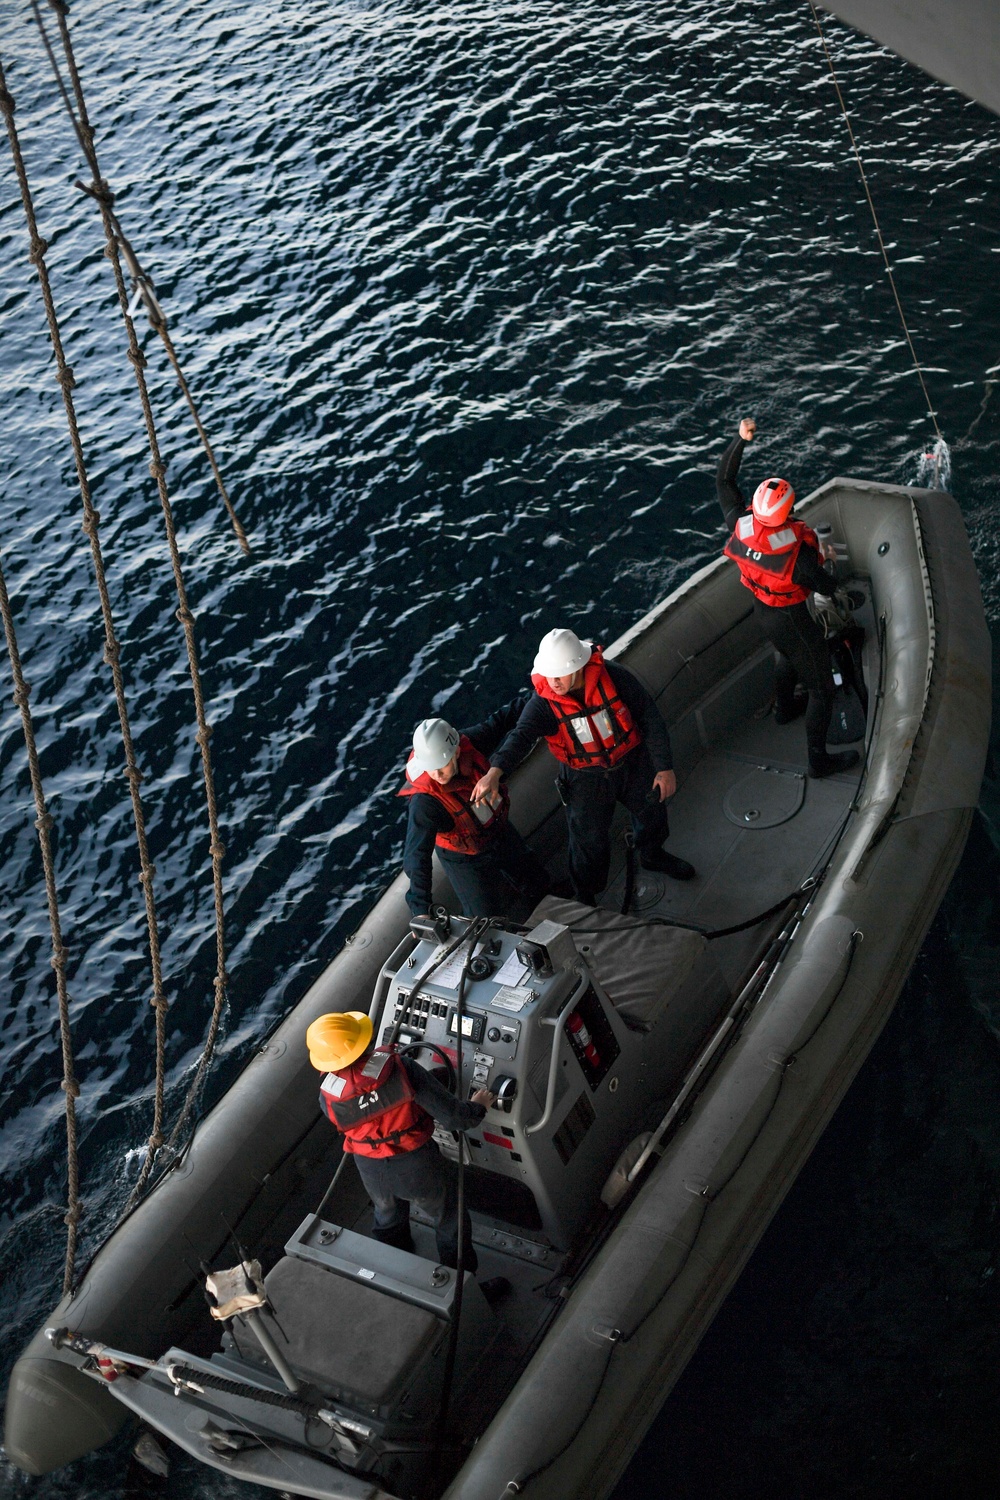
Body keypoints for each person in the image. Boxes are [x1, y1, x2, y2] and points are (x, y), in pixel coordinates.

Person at [471, 628, 694, 908]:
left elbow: (648, 714)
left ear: (578, 666)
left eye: (560, 674)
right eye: (549, 675)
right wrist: (495, 772)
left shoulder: (614, 677)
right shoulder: (543, 703)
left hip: (632, 763)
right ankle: (585, 892)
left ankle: (652, 854)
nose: (554, 682)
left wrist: (664, 768)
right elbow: (521, 735)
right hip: (584, 779)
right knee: (588, 841)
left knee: (652, 814)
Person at [306, 1011, 505, 1296]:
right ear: (362, 1041)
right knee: (450, 1221)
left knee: (387, 1217)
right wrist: (478, 1105)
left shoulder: (327, 1092)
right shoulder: (401, 1068)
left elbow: (355, 1115)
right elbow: (457, 1119)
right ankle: (462, 1294)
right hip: (416, 1166)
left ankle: (392, 1283)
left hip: (369, 1169)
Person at [718, 417, 859, 779]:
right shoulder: (798, 556)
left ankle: (783, 709)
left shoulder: (739, 521)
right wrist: (825, 558)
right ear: (789, 511)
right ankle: (818, 761)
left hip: (762, 611)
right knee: (822, 689)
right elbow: (825, 585)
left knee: (785, 653)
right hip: (792, 617)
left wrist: (740, 439)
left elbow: (723, 480)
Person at [399, 696, 550, 921]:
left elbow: (501, 720)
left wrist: (541, 696)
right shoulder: (425, 802)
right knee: (483, 918)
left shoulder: (472, 743)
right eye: (431, 769)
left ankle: (549, 911)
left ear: (457, 752)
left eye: (442, 767)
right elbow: (416, 856)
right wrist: (420, 910)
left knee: (535, 878)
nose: (437, 775)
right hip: (464, 856)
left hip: (496, 830)